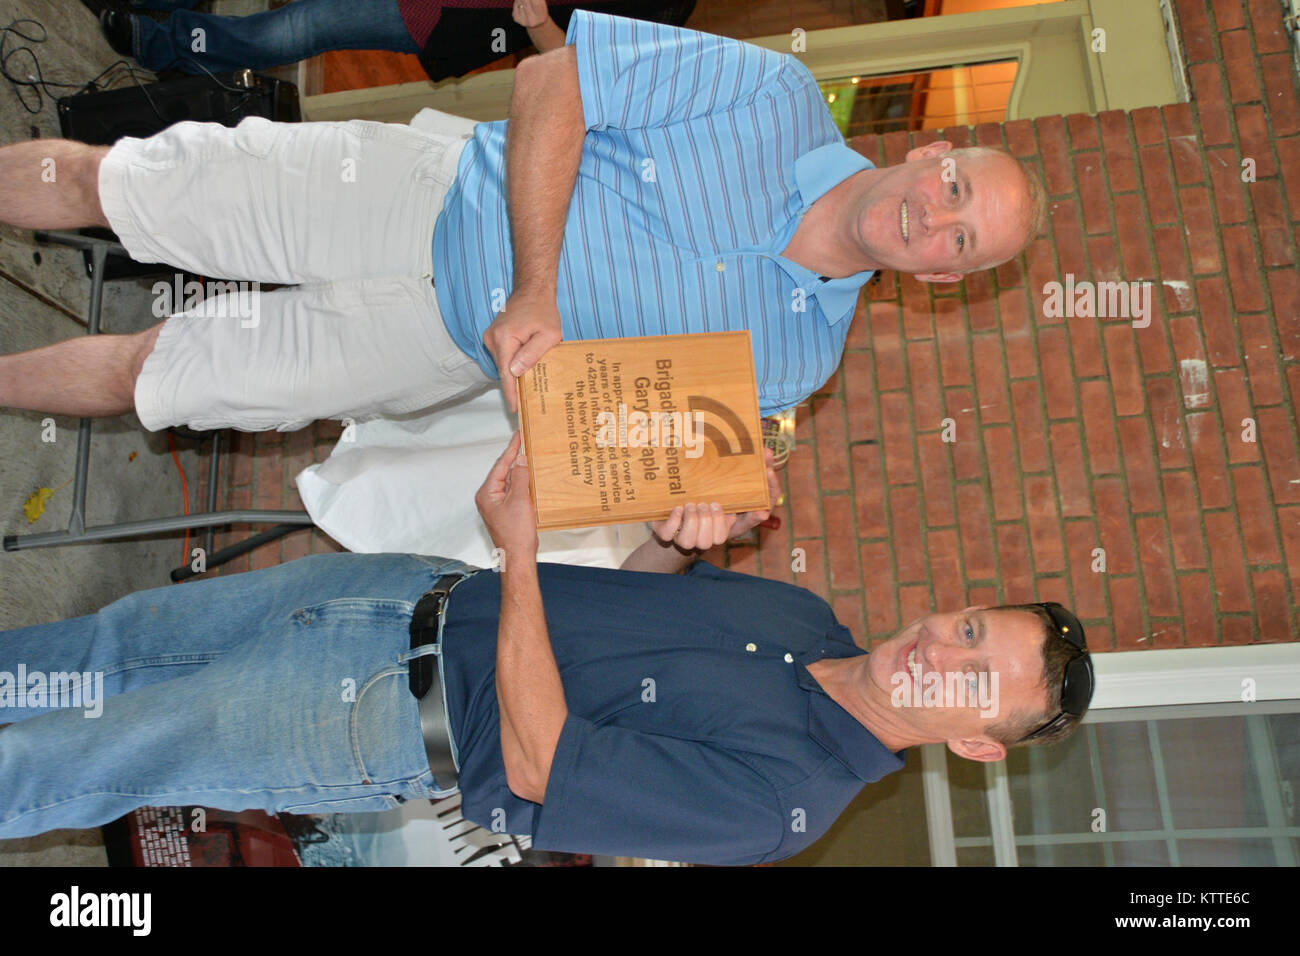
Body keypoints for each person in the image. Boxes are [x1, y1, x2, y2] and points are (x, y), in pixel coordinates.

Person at [0, 435, 1095, 864]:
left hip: (377, 713)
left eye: (973, 682)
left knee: (90, 754)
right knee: (108, 645)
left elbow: (541, 762)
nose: (937, 654)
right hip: (392, 594)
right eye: (967, 628)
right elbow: (622, 613)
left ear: (978, 746)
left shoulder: (783, 804)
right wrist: (671, 538)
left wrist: (519, 553)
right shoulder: (810, 620)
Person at [0, 11, 1045, 433]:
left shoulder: (798, 364)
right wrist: (539, 284)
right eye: (955, 190)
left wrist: (688, 511)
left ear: (946, 280)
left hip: (424, 352)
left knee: (161, 377)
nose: (932, 220)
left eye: (961, 241)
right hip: (410, 195)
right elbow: (555, 79)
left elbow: (604, 431)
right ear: (931, 152)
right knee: (122, 185)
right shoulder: (771, 94)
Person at [91, 0, 696, 82]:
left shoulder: (663, 11)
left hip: (445, 17)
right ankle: (190, 43)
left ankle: (161, 44)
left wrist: (537, 22)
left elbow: (574, 69)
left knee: (308, 24)